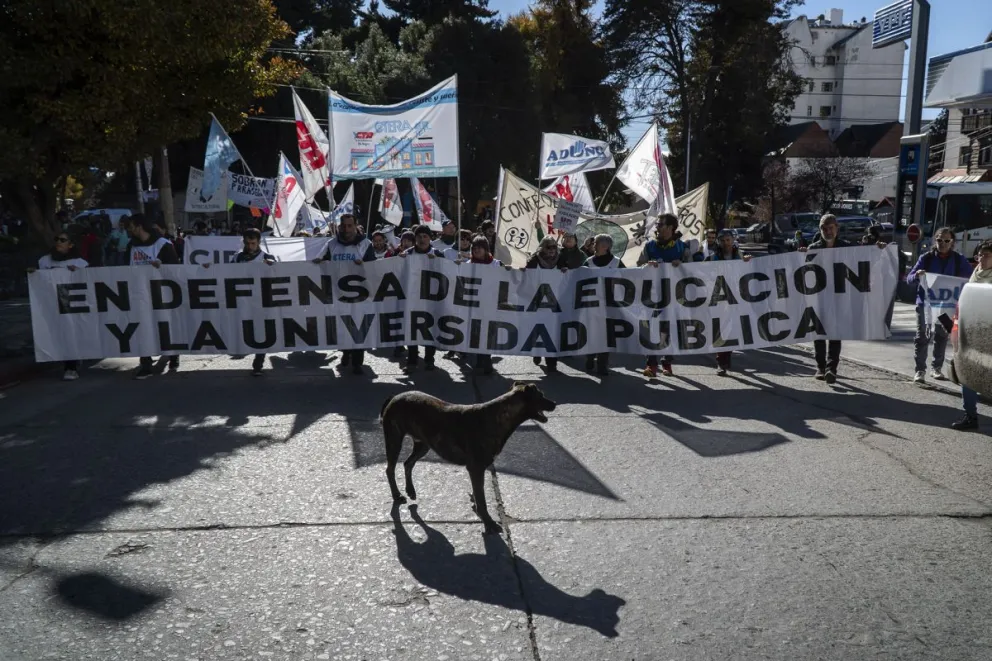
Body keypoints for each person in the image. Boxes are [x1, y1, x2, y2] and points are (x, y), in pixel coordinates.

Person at [798, 213, 888, 383]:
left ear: (837, 229)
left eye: (831, 228)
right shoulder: (814, 248)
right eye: (824, 228)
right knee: (818, 333)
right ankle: (820, 367)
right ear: (820, 230)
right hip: (819, 297)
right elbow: (802, 269)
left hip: (839, 297)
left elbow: (864, 260)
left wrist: (878, 250)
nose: (828, 231)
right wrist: (802, 255)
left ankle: (832, 368)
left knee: (835, 332)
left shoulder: (847, 248)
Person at [906, 227, 973, 384]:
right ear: (934, 240)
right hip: (926, 305)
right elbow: (908, 279)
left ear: (952, 242)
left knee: (942, 337)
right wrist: (917, 275)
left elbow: (970, 278)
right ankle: (920, 371)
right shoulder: (926, 258)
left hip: (946, 305)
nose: (942, 243)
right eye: (939, 240)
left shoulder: (958, 260)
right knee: (922, 336)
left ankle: (936, 368)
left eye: (946, 240)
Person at [314, 214, 377, 375]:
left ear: (356, 226)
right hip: (337, 294)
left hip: (360, 295)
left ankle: (357, 362)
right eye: (344, 226)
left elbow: (374, 268)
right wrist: (318, 263)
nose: (347, 229)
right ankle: (346, 352)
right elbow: (320, 262)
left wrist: (364, 265)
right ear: (340, 227)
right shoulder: (332, 244)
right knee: (342, 326)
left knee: (358, 327)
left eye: (350, 226)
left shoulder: (365, 244)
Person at [28, 232, 89, 380]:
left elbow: (88, 282)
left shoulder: (80, 263)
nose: (58, 242)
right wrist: (33, 273)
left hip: (71, 306)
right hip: (50, 304)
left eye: (63, 240)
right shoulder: (44, 261)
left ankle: (71, 367)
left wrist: (79, 273)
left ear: (71, 244)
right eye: (56, 239)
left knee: (70, 333)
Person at [129, 214, 181, 379]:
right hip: (140, 295)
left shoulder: (163, 245)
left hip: (163, 295)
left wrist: (162, 267)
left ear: (139, 226)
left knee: (165, 326)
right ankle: (145, 363)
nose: (129, 230)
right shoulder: (132, 246)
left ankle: (173, 354)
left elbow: (175, 271)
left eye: (131, 226)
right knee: (143, 327)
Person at [638, 214, 691, 378]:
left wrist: (682, 264)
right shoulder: (649, 246)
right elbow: (638, 267)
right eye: (657, 224)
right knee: (651, 328)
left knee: (669, 329)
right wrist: (647, 265)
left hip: (675, 297)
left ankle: (667, 362)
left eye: (661, 224)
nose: (657, 227)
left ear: (671, 228)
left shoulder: (682, 248)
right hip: (652, 296)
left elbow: (694, 271)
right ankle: (651, 365)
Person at [951, 240, 992, 431]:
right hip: (972, 332)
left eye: (986, 255)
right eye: (980, 255)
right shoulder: (975, 275)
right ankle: (970, 415)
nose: (981, 259)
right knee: (968, 374)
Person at [456, 236, 510, 375]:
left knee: (489, 334)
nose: (476, 250)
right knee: (476, 334)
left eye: (479, 247)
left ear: (486, 249)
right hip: (473, 307)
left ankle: (485, 359)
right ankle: (482, 360)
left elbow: (507, 283)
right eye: (474, 248)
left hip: (491, 307)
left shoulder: (497, 265)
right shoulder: (467, 264)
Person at [398, 225, 446, 370]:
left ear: (430, 238)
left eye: (425, 236)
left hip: (432, 299)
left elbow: (448, 273)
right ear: (415, 239)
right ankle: (412, 360)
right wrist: (399, 260)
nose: (422, 239)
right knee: (411, 328)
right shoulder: (407, 254)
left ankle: (429, 358)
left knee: (430, 328)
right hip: (412, 299)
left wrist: (438, 261)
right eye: (419, 236)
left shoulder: (438, 253)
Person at [706, 229, 753, 376]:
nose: (726, 243)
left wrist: (747, 262)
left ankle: (727, 356)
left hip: (736, 298)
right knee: (721, 329)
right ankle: (721, 361)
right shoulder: (713, 257)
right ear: (719, 242)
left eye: (728, 240)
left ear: (733, 240)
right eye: (723, 240)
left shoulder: (741, 255)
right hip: (719, 298)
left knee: (733, 329)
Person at [582, 234, 626, 376]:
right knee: (592, 333)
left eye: (597, 243)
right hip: (592, 304)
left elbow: (630, 277)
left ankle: (602, 364)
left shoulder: (617, 262)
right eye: (594, 243)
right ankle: (589, 357)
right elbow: (577, 277)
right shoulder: (588, 262)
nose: (593, 245)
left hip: (609, 305)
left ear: (606, 247)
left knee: (606, 335)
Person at [235, 228, 276, 376]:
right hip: (242, 301)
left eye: (253, 243)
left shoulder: (268, 257)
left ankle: (258, 362)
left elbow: (278, 278)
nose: (250, 246)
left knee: (261, 331)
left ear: (259, 242)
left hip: (261, 302)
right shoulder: (237, 258)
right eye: (247, 243)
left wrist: (272, 268)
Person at [526, 236, 567, 372]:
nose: (552, 250)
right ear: (543, 248)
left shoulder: (560, 260)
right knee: (538, 330)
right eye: (548, 247)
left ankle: (551, 362)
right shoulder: (534, 260)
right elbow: (526, 277)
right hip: (537, 302)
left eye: (554, 247)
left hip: (554, 303)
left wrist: (566, 271)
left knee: (552, 332)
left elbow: (568, 276)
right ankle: (537, 352)